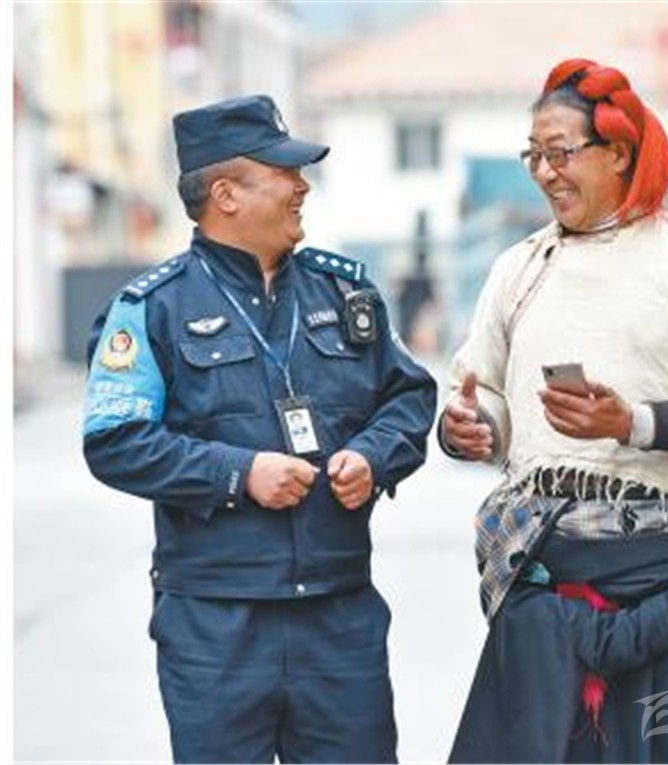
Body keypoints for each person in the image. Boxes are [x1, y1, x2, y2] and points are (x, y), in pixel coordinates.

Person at [82, 95, 437, 763]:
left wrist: (373, 456)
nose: (302, 186)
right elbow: (115, 441)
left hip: (339, 617)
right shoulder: (151, 308)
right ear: (226, 195)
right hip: (216, 624)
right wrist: (239, 474)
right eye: (284, 172)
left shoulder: (344, 293)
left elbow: (409, 397)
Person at [438, 58, 668, 762]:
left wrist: (630, 423)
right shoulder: (519, 268)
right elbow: (484, 389)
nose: (544, 172)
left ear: (618, 152)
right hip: (550, 576)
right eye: (533, 154)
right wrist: (470, 425)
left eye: (560, 152)